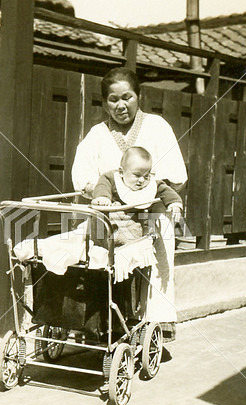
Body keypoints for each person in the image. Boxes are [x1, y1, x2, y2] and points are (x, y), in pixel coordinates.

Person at [71, 67, 188, 341]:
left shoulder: (157, 127)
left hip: (151, 213)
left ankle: (156, 325)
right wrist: (103, 192)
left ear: (138, 97)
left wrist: (147, 190)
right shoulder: (97, 134)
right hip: (112, 217)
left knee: (156, 268)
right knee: (108, 266)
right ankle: (110, 325)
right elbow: (82, 175)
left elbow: (176, 175)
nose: (121, 105)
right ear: (104, 103)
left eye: (127, 97)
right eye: (113, 99)